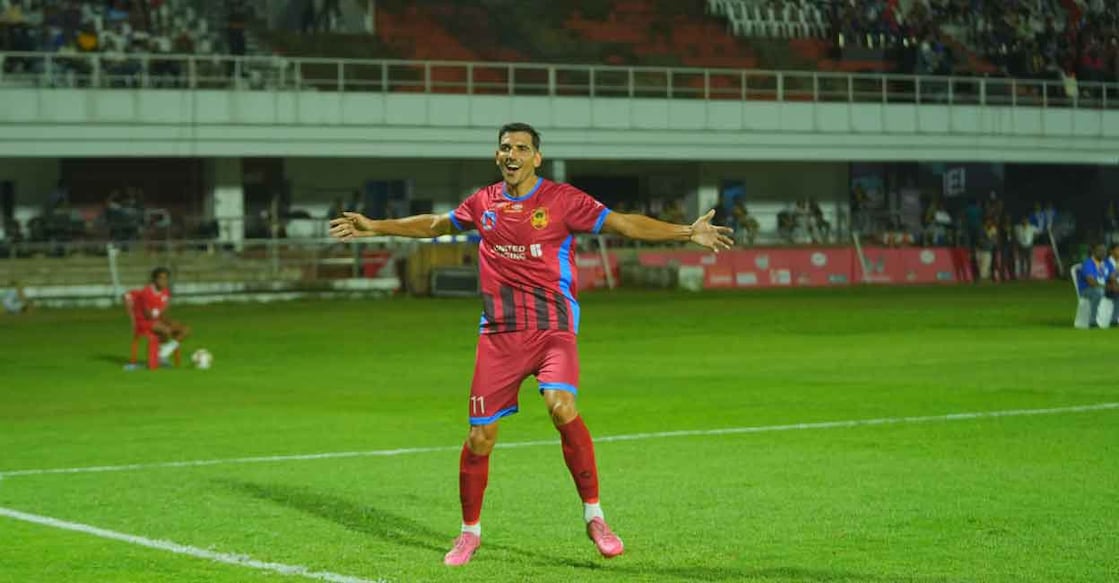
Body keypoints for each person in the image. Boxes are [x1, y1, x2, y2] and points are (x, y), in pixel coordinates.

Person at [329, 122, 733, 567]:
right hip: (499, 334)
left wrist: (685, 233)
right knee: (481, 437)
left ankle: (595, 517)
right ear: (497, 156)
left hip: (552, 329)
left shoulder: (563, 200)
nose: (512, 153)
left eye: (522, 147)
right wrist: (375, 226)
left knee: (561, 406)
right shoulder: (483, 202)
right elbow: (435, 224)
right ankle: (469, 533)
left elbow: (623, 223)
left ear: (536, 157)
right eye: (505, 147)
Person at [131, 267, 191, 366]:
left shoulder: (166, 292)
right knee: (166, 330)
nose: (163, 281)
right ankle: (160, 356)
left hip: (156, 320)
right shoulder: (146, 293)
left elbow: (162, 313)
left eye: (165, 279)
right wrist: (164, 322)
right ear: (154, 279)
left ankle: (163, 353)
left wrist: (169, 321)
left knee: (185, 330)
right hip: (143, 322)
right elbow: (147, 315)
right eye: (160, 278)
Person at [1077, 244, 1109, 327]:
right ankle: (1093, 320)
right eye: (1100, 251)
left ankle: (1114, 319)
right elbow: (1091, 282)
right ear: (1094, 252)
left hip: (1101, 288)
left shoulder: (1104, 264)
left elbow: (1110, 277)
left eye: (1104, 251)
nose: (1103, 253)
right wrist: (1107, 287)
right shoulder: (1088, 263)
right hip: (1086, 290)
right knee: (1098, 292)